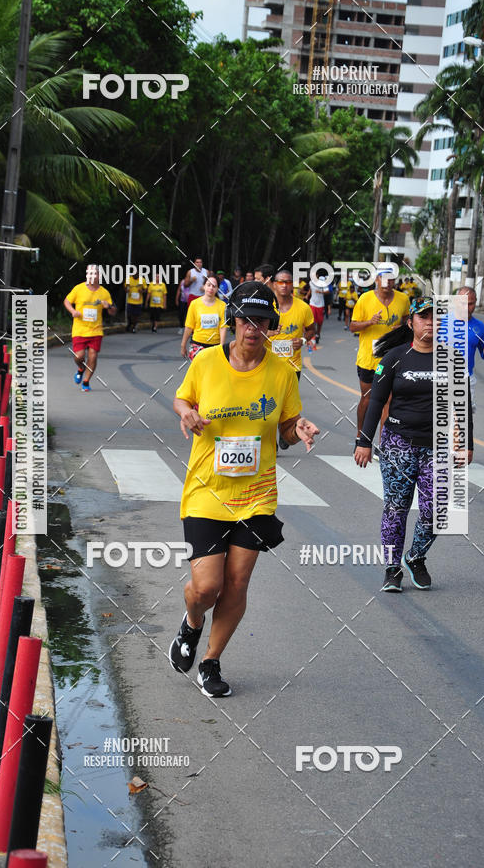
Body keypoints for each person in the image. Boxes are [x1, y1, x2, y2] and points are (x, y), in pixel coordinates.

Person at [169, 282, 319, 696]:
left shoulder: (282, 372)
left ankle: (211, 662)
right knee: (205, 587)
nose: (254, 328)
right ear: (234, 321)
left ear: (271, 326)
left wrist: (298, 428)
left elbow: (287, 426)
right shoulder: (205, 363)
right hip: (206, 488)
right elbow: (182, 400)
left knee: (237, 582)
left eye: (263, 321)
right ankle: (191, 623)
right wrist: (187, 413)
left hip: (256, 494)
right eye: (246, 319)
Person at [354, 297, 474, 592]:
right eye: (423, 317)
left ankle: (415, 556)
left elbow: (463, 404)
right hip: (398, 443)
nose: (430, 322)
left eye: (435, 318)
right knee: (396, 508)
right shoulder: (393, 359)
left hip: (438, 445)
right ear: (411, 323)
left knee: (437, 510)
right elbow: (375, 402)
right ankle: (392, 569)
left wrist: (467, 443)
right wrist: (364, 441)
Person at [350, 267, 410, 448]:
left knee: (389, 401)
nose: (387, 282)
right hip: (369, 358)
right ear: (377, 279)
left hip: (393, 359)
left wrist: (401, 328)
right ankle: (361, 436)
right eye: (384, 278)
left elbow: (409, 323)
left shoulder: (403, 299)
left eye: (391, 279)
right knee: (368, 399)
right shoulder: (365, 299)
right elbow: (352, 326)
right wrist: (369, 322)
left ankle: (383, 444)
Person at [268, 267, 316, 448]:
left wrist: (303, 340)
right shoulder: (267, 307)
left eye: (288, 282)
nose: (284, 285)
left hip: (292, 366)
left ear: (292, 285)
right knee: (270, 403)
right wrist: (269, 332)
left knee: (286, 404)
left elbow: (312, 330)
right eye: (280, 281)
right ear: (274, 284)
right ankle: (270, 438)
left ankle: (284, 432)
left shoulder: (303, 307)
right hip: (268, 365)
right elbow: (253, 331)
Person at [64, 265, 116, 392]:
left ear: (99, 276)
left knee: (93, 357)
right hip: (80, 329)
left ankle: (86, 381)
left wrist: (108, 306)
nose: (93, 276)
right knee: (79, 356)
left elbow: (113, 312)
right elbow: (67, 301)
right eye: (90, 274)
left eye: (95, 274)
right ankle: (81, 368)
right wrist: (72, 311)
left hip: (96, 330)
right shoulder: (79, 288)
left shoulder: (104, 292)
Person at [456, 286, 484, 412]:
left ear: (476, 302)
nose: (466, 308)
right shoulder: (442, 322)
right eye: (462, 303)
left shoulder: (479, 327)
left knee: (463, 423)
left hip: (466, 379)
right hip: (440, 378)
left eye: (470, 304)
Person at [181, 275, 227, 359]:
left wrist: (222, 346)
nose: (211, 288)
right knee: (199, 371)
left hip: (214, 346)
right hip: (197, 345)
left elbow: (223, 327)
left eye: (214, 286)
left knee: (212, 372)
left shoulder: (222, 305)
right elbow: (189, 327)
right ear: (204, 286)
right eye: (208, 285)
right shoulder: (194, 304)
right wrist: (183, 345)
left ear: (217, 289)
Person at [124, 268, 146, 333]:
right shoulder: (129, 279)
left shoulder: (142, 280)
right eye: (134, 274)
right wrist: (126, 290)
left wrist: (142, 291)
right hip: (130, 300)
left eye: (137, 274)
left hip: (138, 301)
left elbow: (146, 289)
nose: (136, 275)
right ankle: (130, 323)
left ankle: (133, 328)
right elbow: (125, 286)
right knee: (129, 314)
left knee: (136, 315)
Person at [307, 276, 326, 343]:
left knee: (320, 322)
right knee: (312, 320)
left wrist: (321, 292)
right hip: (312, 304)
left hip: (320, 305)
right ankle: (313, 334)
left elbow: (328, 292)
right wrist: (307, 295)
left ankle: (318, 333)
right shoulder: (311, 282)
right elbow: (310, 289)